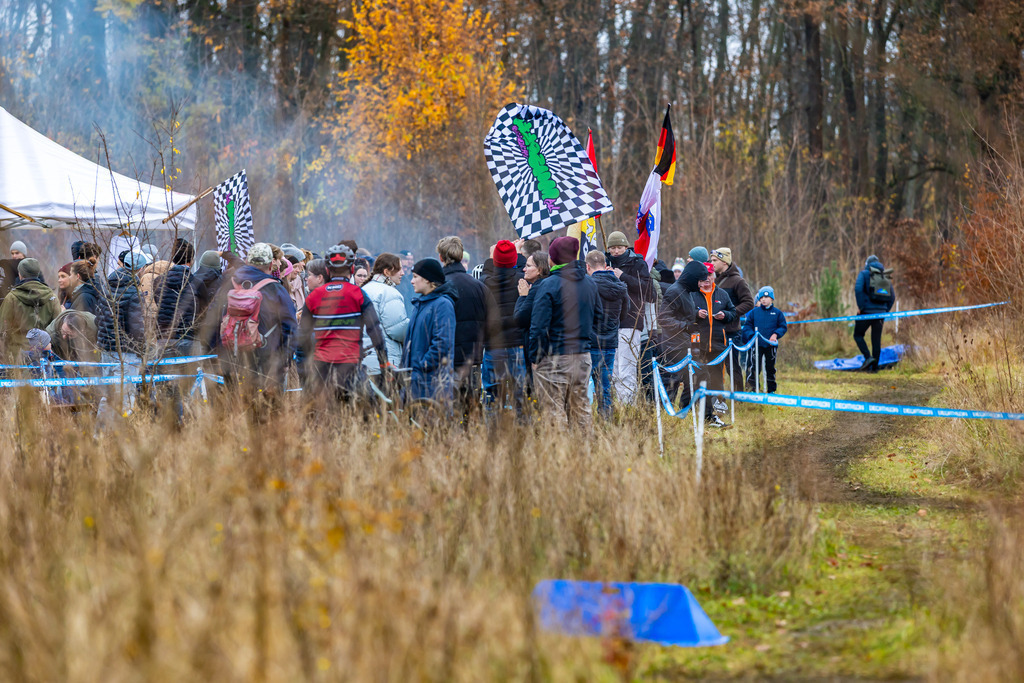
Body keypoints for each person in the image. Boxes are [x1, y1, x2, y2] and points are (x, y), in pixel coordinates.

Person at [296, 244, 386, 400]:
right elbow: (374, 330)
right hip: (351, 368)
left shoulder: (314, 296)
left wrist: (304, 369)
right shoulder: (358, 294)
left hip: (321, 369)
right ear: (352, 270)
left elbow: (302, 336)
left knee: (319, 418)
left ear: (328, 271)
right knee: (367, 413)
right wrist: (384, 362)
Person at [529, 236, 600, 429]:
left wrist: (535, 356)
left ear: (553, 258)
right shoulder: (590, 284)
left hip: (554, 357)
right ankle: (585, 454)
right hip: (582, 356)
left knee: (553, 412)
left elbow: (538, 326)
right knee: (581, 410)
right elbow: (599, 318)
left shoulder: (548, 285)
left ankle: (560, 456)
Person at [216, 242, 298, 394]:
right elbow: (290, 327)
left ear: (247, 262)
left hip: (233, 361)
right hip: (268, 362)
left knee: (238, 412)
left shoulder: (229, 284)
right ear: (270, 265)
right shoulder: (275, 288)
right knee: (268, 413)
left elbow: (215, 321)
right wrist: (284, 359)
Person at [604, 230, 655, 405]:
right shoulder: (604, 262)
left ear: (626, 247)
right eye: (612, 248)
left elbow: (649, 292)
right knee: (614, 369)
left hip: (631, 320)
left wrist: (623, 276)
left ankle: (629, 407)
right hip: (610, 321)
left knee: (626, 368)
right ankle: (618, 405)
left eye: (619, 247)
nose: (616, 251)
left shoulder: (637, 263)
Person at [437, 236, 487, 406]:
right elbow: (492, 321)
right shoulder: (479, 286)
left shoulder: (437, 286)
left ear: (441, 257)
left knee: (448, 410)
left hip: (446, 361)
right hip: (473, 359)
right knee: (472, 409)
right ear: (460, 256)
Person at [402, 258, 457, 403]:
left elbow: (442, 344)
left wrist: (422, 367)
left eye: (415, 277)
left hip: (431, 383)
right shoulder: (420, 305)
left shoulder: (442, 305)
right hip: (415, 381)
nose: (412, 281)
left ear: (427, 280)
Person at [688, 262, 736, 427]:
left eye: (710, 275)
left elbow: (733, 312)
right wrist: (696, 314)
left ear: (714, 276)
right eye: (704, 276)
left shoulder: (722, 294)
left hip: (717, 346)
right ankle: (696, 409)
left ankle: (716, 411)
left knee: (716, 379)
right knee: (698, 378)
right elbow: (685, 315)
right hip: (698, 347)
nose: (707, 279)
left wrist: (725, 315)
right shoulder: (692, 294)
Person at [481, 239, 525, 410]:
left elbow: (485, 273)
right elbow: (522, 269)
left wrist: (492, 257)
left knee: (492, 394)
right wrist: (518, 253)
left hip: (494, 345)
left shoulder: (486, 283)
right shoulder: (522, 280)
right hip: (517, 344)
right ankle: (522, 431)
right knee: (520, 393)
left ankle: (494, 433)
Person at [586, 250, 627, 419]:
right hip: (610, 342)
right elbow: (625, 313)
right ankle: (606, 419)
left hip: (589, 342)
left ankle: (583, 422)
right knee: (604, 385)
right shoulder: (619, 286)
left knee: (581, 386)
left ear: (588, 267)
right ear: (605, 266)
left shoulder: (587, 285)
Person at [658, 260, 704, 406]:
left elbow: (682, 313)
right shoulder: (675, 291)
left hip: (684, 343)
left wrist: (695, 317)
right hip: (673, 345)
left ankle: (686, 410)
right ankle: (668, 413)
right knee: (673, 380)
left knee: (695, 376)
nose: (701, 285)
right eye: (699, 281)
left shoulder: (686, 292)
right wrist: (686, 326)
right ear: (692, 278)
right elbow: (663, 318)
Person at [710, 247, 754, 389]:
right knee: (715, 366)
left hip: (731, 331)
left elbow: (749, 303)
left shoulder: (737, 281)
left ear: (724, 262)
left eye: (715, 260)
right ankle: (717, 397)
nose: (712, 263)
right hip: (714, 331)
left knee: (733, 367)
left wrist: (731, 314)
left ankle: (738, 397)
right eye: (711, 260)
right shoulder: (712, 280)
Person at [0, 258, 61, 357]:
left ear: (20, 274)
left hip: (17, 356)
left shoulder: (12, 298)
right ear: (37, 273)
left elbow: (2, 328)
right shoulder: (52, 297)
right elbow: (58, 327)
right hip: (44, 355)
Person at [154, 238, 205, 355]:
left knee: (165, 372)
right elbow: (204, 308)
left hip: (163, 337)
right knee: (188, 373)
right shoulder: (196, 283)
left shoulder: (158, 282)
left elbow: (157, 302)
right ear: (191, 260)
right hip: (188, 337)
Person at [360, 253, 409, 374]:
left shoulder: (364, 289)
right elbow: (397, 330)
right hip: (384, 361)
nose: (402, 273)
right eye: (399, 269)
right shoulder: (389, 293)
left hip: (363, 358)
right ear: (387, 272)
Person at [96, 251, 147, 360]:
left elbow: (98, 318)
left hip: (105, 349)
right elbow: (136, 327)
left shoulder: (106, 288)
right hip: (126, 353)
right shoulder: (134, 294)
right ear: (140, 269)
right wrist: (143, 349)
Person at [854, 255, 895, 372]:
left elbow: (858, 289)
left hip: (866, 312)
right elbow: (892, 296)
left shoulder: (864, 274)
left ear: (867, 264)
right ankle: (875, 368)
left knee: (858, 335)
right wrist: (885, 310)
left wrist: (861, 307)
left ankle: (868, 358)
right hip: (880, 314)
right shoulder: (884, 276)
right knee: (876, 340)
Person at [743, 286, 787, 393]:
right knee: (754, 367)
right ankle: (752, 389)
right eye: (761, 297)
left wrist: (776, 335)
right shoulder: (754, 312)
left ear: (772, 299)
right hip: (756, 345)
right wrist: (752, 335)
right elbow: (747, 326)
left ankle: (771, 390)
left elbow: (783, 326)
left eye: (766, 297)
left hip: (770, 346)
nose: (763, 299)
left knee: (770, 368)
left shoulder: (777, 313)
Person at [513, 250, 550, 369]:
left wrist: (523, 296)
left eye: (528, 266)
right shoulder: (546, 285)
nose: (524, 269)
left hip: (539, 355)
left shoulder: (536, 289)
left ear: (539, 270)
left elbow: (520, 319)